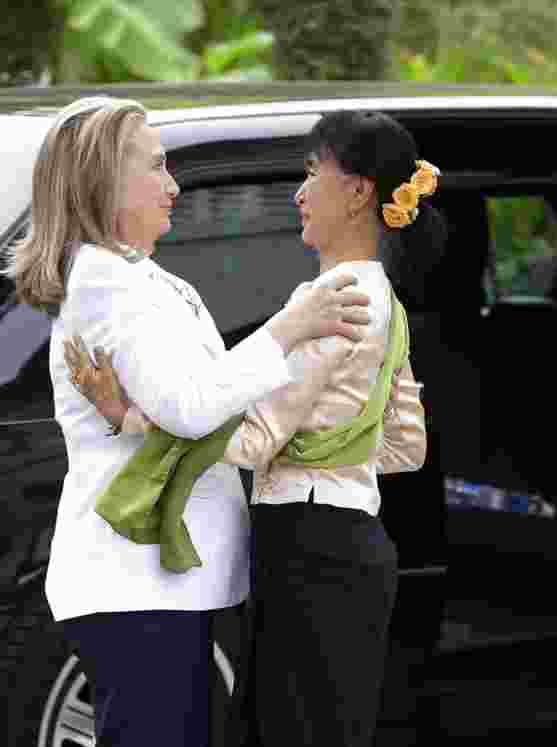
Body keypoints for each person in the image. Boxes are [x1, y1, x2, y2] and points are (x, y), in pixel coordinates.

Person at [2, 96, 371, 747]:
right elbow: (196, 403)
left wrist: (131, 414)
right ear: (105, 183)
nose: (173, 185)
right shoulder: (109, 282)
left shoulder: (139, 277)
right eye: (156, 166)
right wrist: (291, 327)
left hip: (162, 589)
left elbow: (189, 403)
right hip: (140, 589)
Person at [66, 109, 440, 747]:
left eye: (312, 173)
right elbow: (407, 444)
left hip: (307, 541)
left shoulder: (327, 301)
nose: (297, 193)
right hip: (357, 540)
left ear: (356, 193)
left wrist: (127, 415)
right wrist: (331, 454)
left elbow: (252, 439)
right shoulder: (387, 301)